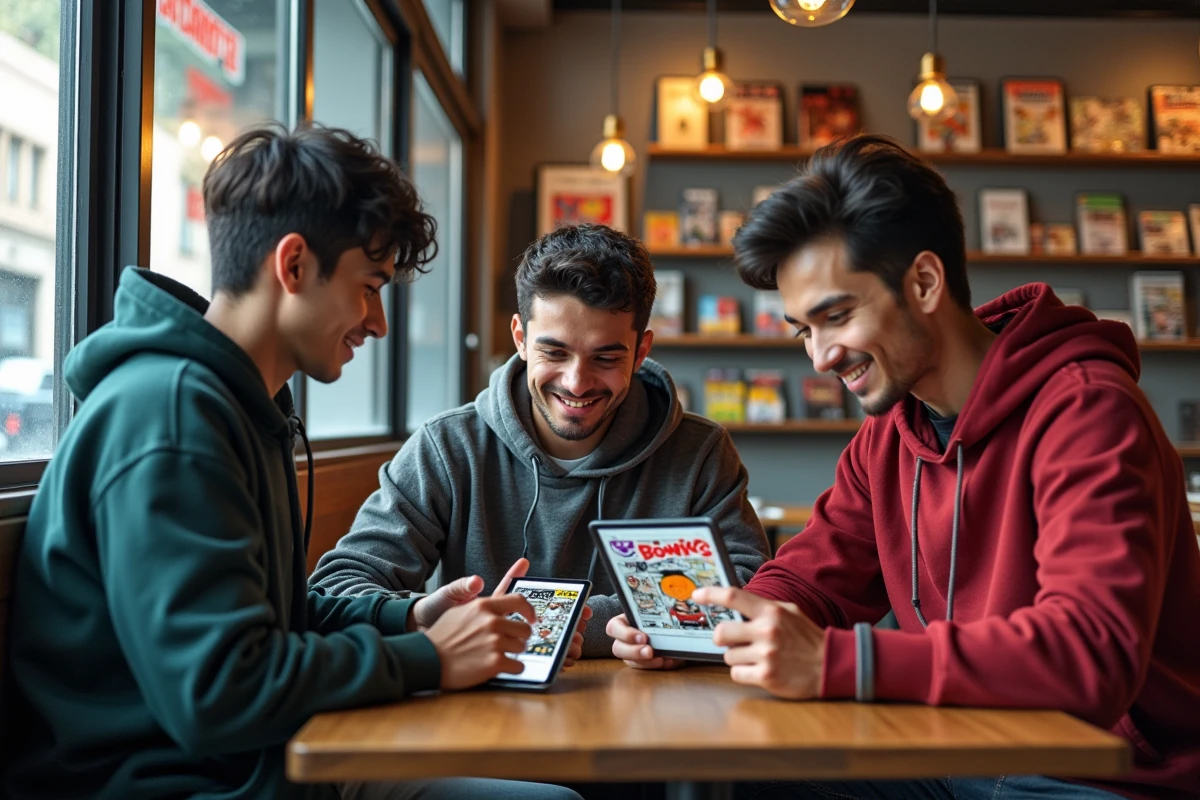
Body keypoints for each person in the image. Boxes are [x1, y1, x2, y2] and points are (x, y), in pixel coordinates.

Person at [6, 122, 585, 800]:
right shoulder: (170, 418)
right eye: (370, 286)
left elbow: (269, 620)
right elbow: (219, 691)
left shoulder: (237, 405)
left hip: (258, 765)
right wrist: (426, 658)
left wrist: (411, 619)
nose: (379, 322)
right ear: (293, 265)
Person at [620, 134, 1200, 799]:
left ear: (924, 282)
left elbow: (1090, 651)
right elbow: (813, 579)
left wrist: (843, 661)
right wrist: (708, 630)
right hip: (952, 747)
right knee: (736, 778)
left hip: (1098, 772)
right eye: (802, 329)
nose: (819, 357)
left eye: (836, 317)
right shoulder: (890, 437)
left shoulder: (1087, 412)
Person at [310, 223, 770, 659]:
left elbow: (753, 590)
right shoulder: (448, 447)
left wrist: (558, 627)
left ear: (641, 350)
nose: (577, 382)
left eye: (606, 357)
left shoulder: (701, 452)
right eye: (554, 352)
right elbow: (338, 587)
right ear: (520, 338)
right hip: (485, 708)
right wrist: (436, 619)